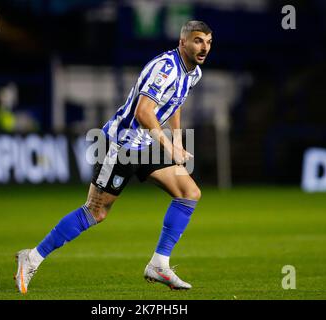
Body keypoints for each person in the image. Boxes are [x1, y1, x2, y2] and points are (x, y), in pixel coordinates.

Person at [15, 20, 213, 293]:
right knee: (96, 212)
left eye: (208, 41)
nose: (204, 47)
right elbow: (144, 112)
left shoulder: (194, 73)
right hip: (119, 144)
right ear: (183, 43)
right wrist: (169, 147)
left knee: (189, 192)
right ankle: (32, 257)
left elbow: (173, 103)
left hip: (145, 144)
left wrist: (177, 137)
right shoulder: (165, 69)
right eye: (198, 40)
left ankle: (159, 264)